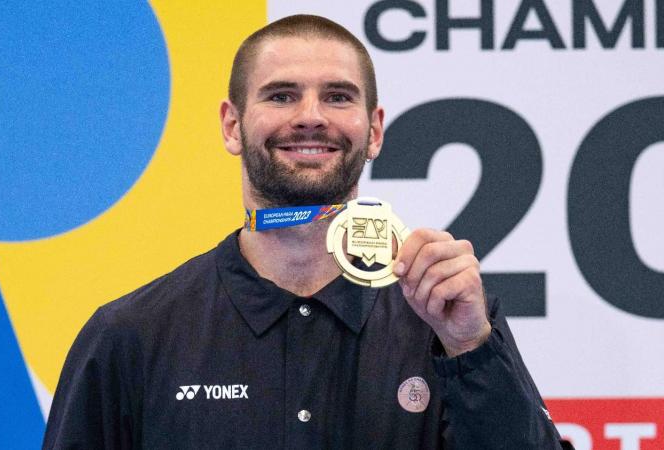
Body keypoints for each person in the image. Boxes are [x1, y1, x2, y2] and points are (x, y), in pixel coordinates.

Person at [43, 15, 571, 449]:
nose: (311, 117)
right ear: (232, 125)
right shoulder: (131, 335)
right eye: (281, 96)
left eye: (338, 97)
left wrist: (471, 347)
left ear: (375, 130)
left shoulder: (447, 323)